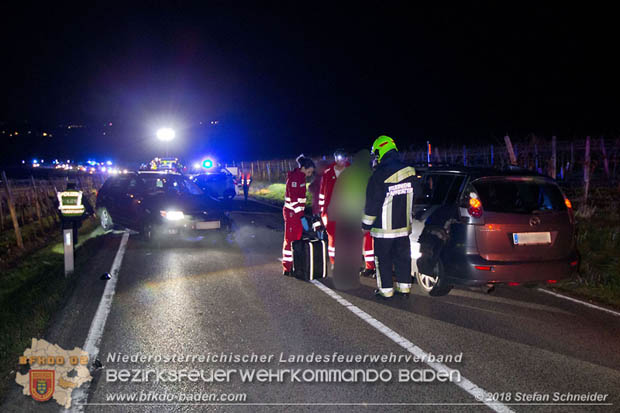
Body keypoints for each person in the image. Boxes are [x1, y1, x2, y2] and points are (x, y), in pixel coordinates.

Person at [362, 135, 416, 299]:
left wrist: (365, 225)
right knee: (403, 259)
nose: (375, 158)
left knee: (383, 260)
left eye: (376, 154)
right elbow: (417, 194)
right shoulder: (410, 171)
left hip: (384, 230)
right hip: (403, 227)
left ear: (381, 151)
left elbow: (372, 203)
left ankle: (386, 291)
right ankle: (404, 289)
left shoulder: (379, 175)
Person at [328, 149, 373, 289]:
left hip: (343, 218)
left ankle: (340, 280)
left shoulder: (346, 173)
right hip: (358, 219)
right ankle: (353, 281)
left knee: (342, 250)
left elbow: (336, 194)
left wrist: (332, 215)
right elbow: (373, 198)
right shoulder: (369, 175)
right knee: (354, 251)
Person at [282, 154, 315, 275]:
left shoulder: (301, 177)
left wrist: (302, 213)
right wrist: (301, 215)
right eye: (309, 171)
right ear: (304, 168)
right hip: (292, 214)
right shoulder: (295, 178)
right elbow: (293, 199)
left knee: (296, 239)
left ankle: (295, 265)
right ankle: (287, 267)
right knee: (290, 239)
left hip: (296, 214)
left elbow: (300, 199)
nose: (310, 174)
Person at [318, 149, 350, 265]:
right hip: (331, 211)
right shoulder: (327, 173)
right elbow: (322, 194)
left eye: (342, 158)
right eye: (338, 158)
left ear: (346, 159)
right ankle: (334, 262)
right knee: (332, 236)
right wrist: (321, 211)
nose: (340, 161)